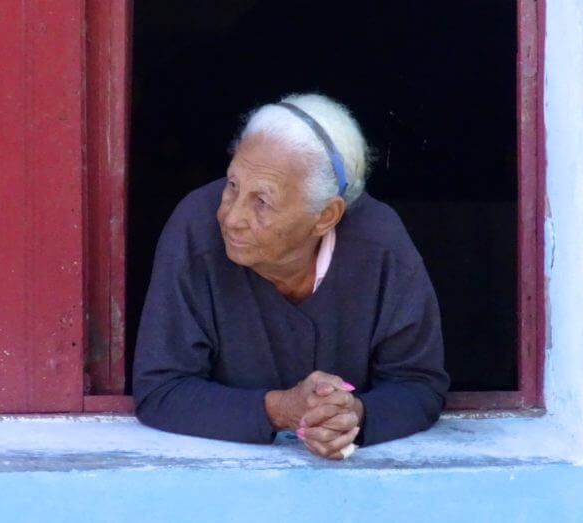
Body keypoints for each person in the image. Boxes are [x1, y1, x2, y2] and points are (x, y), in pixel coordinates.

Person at [132, 93, 449, 460]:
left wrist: (354, 416)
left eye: (262, 202)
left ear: (326, 216)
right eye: (232, 185)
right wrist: (282, 409)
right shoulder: (195, 230)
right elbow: (160, 390)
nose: (232, 217)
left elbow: (419, 384)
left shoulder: (381, 248)